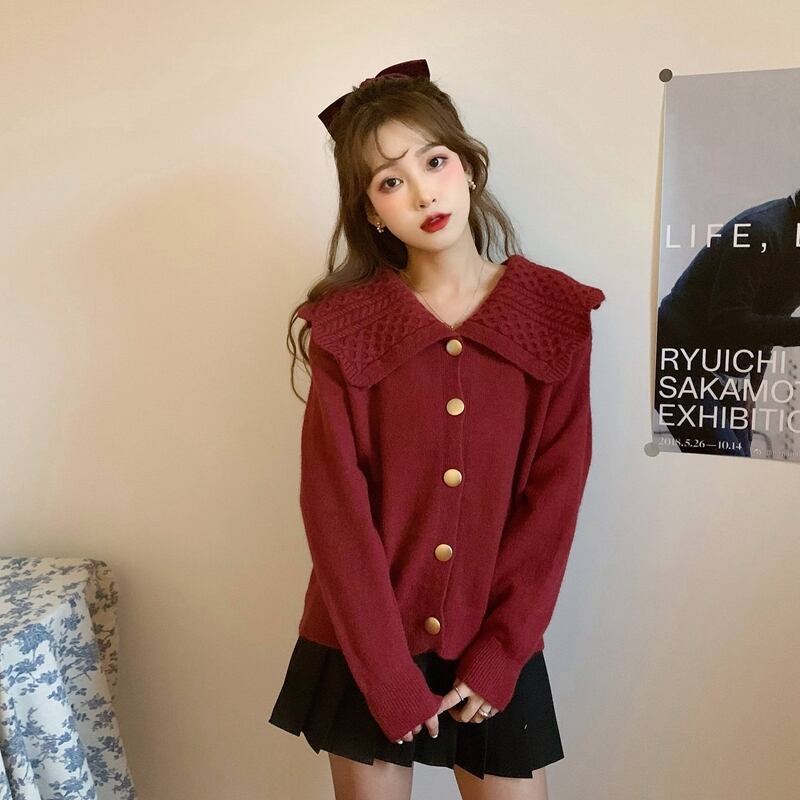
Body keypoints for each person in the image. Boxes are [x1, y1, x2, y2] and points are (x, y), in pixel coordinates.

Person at [268, 58, 605, 799]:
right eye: (389, 181)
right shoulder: (346, 329)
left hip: (493, 641)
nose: (422, 192)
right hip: (364, 641)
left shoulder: (553, 316)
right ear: (369, 212)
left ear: (469, 168)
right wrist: (385, 672)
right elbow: (333, 508)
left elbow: (554, 501)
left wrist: (502, 652)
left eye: (434, 161)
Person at [654, 189, 800, 457]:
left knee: (736, 468)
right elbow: (728, 320)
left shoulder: (789, 239)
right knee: (728, 465)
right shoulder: (761, 231)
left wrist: (750, 388)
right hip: (678, 358)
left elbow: (766, 326)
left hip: (720, 371)